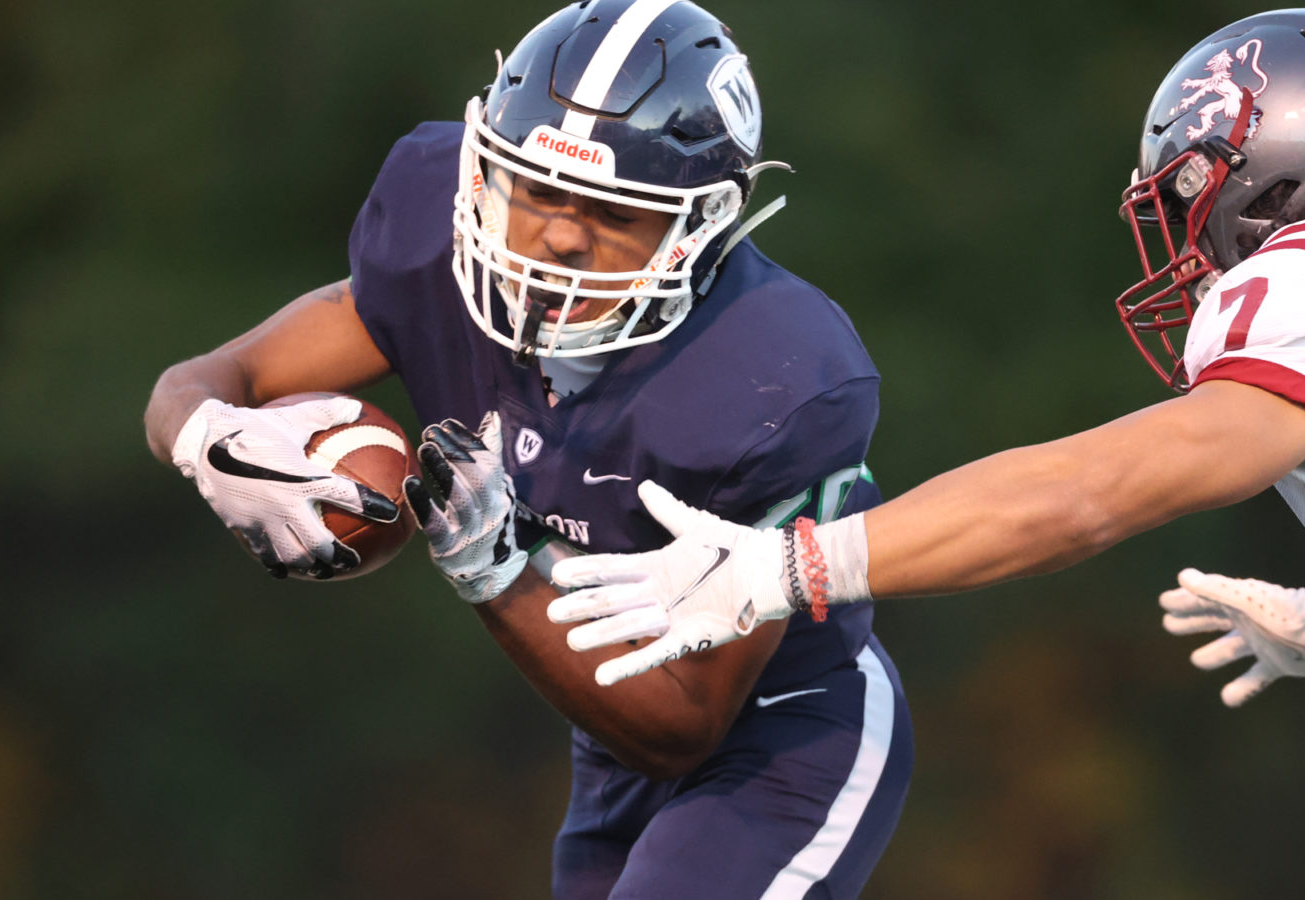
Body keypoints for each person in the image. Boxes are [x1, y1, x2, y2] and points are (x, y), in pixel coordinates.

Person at [546, 6, 1305, 880]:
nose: (1187, 252)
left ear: (1272, 187)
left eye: (1186, 201)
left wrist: (795, 564)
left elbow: (1099, 489)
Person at [142, 2, 913, 897]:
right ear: (480, 174)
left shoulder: (779, 377)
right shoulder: (436, 241)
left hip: (782, 731)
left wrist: (496, 571)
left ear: (701, 225)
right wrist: (207, 439)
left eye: (615, 210)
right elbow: (216, 374)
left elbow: (684, 725)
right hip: (609, 729)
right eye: (537, 190)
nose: (559, 237)